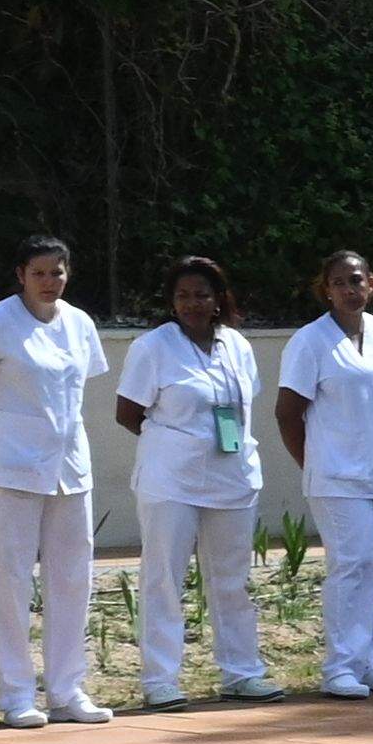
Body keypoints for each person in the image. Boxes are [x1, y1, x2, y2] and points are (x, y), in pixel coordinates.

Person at [0, 235, 114, 729]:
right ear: (21, 274)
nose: (50, 282)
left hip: (70, 468)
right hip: (11, 468)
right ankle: (16, 695)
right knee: (11, 578)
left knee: (72, 578)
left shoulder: (80, 324)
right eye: (40, 273)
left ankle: (67, 690)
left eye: (58, 272)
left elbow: (74, 392)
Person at [114, 256, 270, 705]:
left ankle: (242, 673)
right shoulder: (153, 347)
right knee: (164, 577)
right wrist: (178, 444)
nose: (192, 303)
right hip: (171, 481)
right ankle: (160, 680)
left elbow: (242, 403)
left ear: (219, 299)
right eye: (182, 295)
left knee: (232, 579)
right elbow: (128, 413)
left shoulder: (237, 344)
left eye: (202, 294)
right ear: (171, 301)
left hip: (232, 477)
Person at [274, 249, 373, 700]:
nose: (349, 290)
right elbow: (287, 414)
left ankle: (368, 660)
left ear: (372, 284)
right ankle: (339, 667)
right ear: (327, 289)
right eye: (339, 282)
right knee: (350, 567)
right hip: (337, 479)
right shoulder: (310, 341)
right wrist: (315, 464)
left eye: (356, 281)